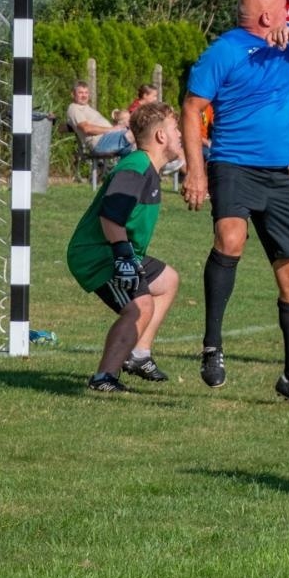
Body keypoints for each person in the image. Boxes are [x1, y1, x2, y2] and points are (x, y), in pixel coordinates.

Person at [180, 0, 289, 407]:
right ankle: (212, 344)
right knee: (231, 239)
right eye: (285, 12)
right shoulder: (224, 50)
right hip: (233, 164)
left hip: (277, 176)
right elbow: (191, 108)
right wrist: (196, 172)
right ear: (267, 15)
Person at [65, 102, 184, 392]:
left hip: (120, 251)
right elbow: (110, 215)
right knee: (139, 308)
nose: (180, 134)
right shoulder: (136, 167)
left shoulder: (149, 168)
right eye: (175, 128)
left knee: (168, 280)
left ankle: (138, 354)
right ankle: (104, 377)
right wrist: (123, 258)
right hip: (98, 253)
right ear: (160, 137)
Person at [66, 81, 133, 156]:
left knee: (141, 141)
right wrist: (113, 129)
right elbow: (87, 129)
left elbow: (66, 126)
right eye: (80, 93)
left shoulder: (87, 108)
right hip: (100, 143)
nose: (84, 95)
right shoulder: (74, 108)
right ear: (73, 94)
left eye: (86, 92)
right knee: (136, 134)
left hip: (110, 139)